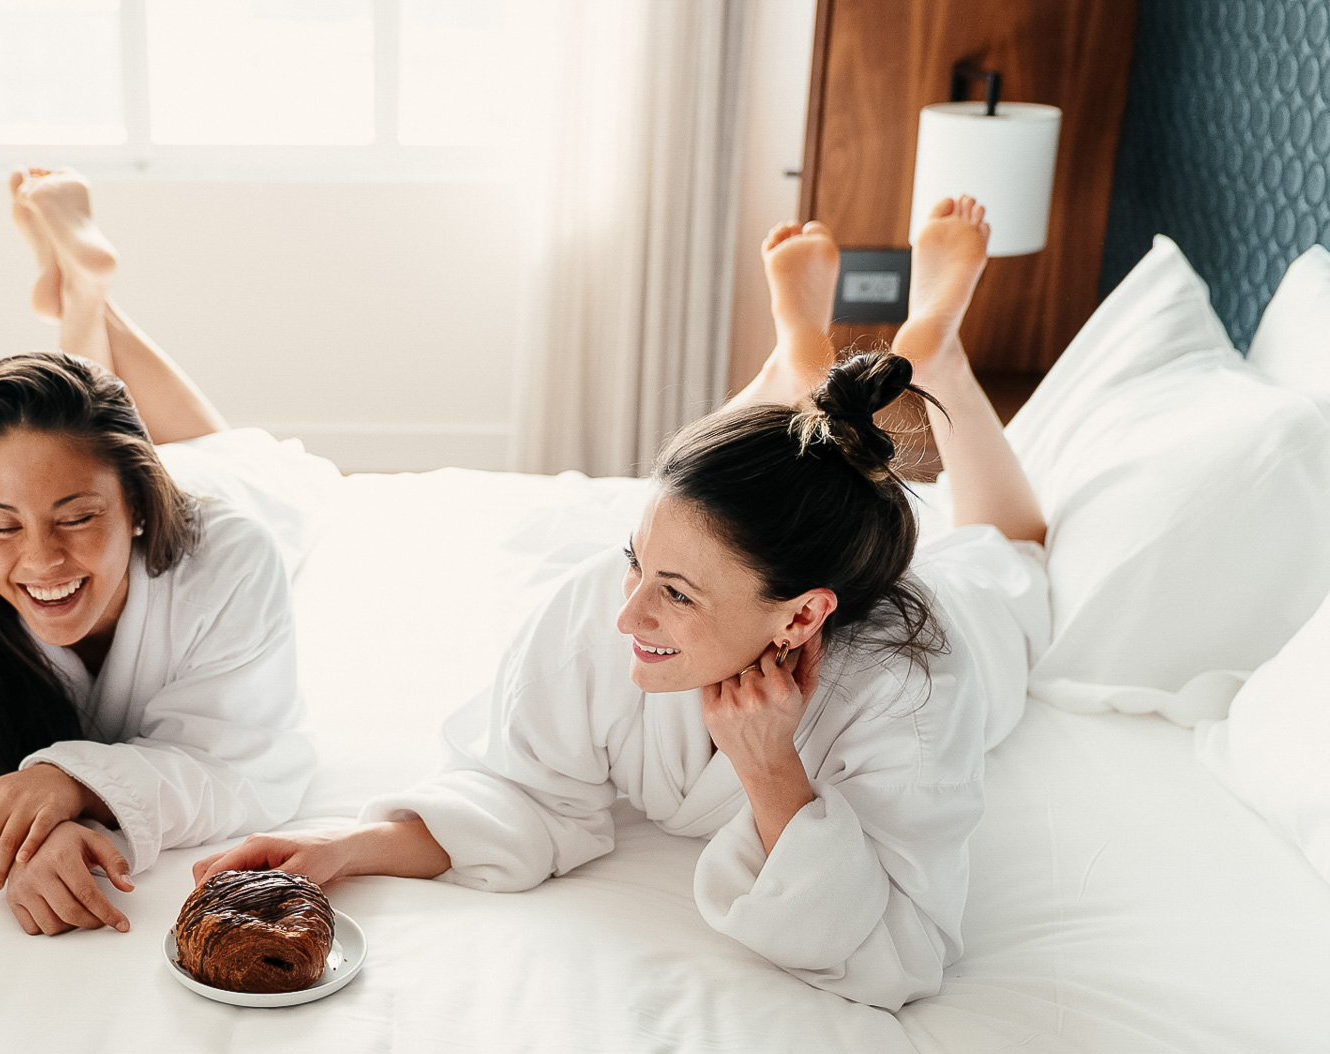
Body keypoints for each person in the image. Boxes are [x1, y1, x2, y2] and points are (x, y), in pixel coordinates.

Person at [193, 196, 1051, 1009]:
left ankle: (937, 351)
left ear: (800, 618)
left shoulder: (917, 689)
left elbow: (897, 948)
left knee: (1009, 556)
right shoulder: (609, 602)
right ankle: (793, 370)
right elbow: (524, 790)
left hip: (950, 616)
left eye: (673, 595)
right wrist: (348, 845)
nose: (625, 617)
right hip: (762, 558)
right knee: (700, 524)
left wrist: (770, 771)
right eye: (636, 565)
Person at [0, 169, 328, 938]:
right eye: (2, 526)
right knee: (66, 429)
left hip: (225, 490)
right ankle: (86, 289)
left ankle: (88, 290)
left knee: (239, 451)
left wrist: (70, 781)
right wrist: (23, 840)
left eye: (77, 519)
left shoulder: (233, 557)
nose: (41, 560)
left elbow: (254, 765)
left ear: (140, 507)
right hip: (95, 463)